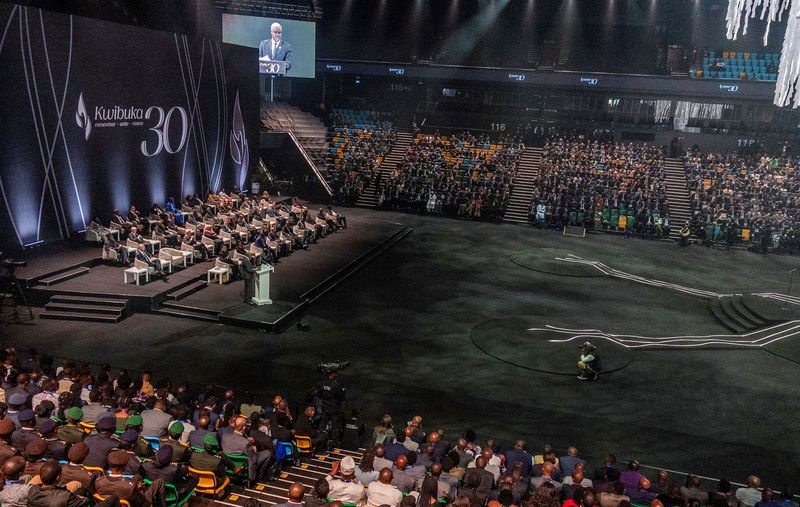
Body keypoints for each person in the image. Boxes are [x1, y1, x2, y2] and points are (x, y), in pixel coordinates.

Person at [313, 368, 346, 446]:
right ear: (333, 375)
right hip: (335, 409)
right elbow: (341, 397)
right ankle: (335, 443)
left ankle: (319, 440)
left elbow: (319, 394)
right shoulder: (336, 386)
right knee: (335, 427)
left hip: (325, 408)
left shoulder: (321, 384)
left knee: (322, 425)